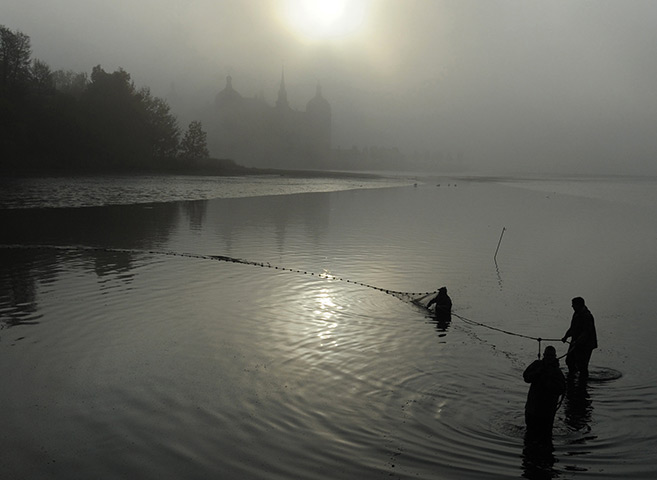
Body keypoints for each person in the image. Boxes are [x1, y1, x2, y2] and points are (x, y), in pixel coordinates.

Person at [523, 346, 566, 439]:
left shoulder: (557, 372)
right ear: (544, 355)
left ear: (555, 356)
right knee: (529, 434)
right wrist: (537, 373)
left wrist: (547, 382)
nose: (549, 358)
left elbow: (561, 389)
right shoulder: (536, 365)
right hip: (532, 408)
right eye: (547, 355)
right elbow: (526, 377)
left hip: (547, 411)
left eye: (551, 356)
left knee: (545, 435)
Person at [561, 297, 598, 378]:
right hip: (575, 342)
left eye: (573, 304)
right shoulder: (576, 314)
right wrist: (566, 336)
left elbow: (586, 332)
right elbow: (572, 328)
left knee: (582, 365)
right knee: (569, 361)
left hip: (586, 345)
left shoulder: (587, 316)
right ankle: (572, 375)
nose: (572, 306)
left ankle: (582, 381)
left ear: (579, 305)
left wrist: (577, 341)